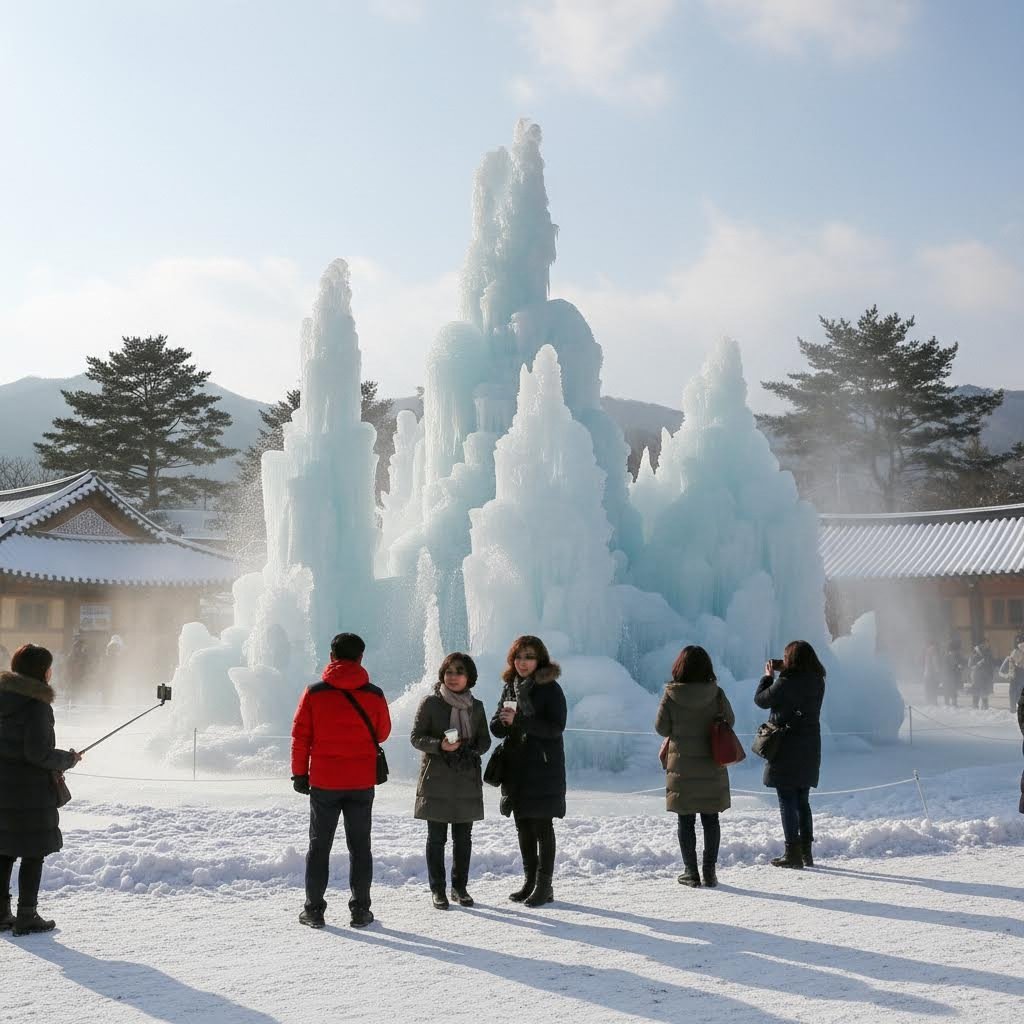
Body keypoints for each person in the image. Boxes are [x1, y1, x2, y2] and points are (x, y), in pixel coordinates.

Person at [290, 632, 392, 929]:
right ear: (361, 657)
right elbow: (382, 733)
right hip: (361, 782)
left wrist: (299, 774)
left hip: (324, 782)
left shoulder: (314, 692)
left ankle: (314, 910)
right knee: (360, 847)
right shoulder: (374, 694)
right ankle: (360, 910)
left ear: (331, 656)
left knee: (319, 847)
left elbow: (300, 737)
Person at [0, 644, 83, 935]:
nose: (52, 671)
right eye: (49, 666)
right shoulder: (36, 705)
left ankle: (1, 914)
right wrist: (68, 759)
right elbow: (37, 753)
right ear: (42, 671)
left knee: (4, 850)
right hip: (30, 794)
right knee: (32, 853)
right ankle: (27, 916)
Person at [410, 652, 491, 909]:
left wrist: (470, 750)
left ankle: (460, 888)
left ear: (469, 677)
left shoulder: (476, 707)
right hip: (436, 779)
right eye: (449, 671)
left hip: (465, 778)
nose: (453, 676)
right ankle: (438, 890)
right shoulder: (431, 703)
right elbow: (416, 737)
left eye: (459, 671)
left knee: (463, 838)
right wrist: (439, 745)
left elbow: (485, 740)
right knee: (436, 838)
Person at [490, 635, 566, 908]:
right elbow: (497, 727)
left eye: (529, 657)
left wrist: (520, 720)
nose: (523, 662)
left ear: (540, 660)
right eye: (519, 657)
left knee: (542, 825)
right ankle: (530, 881)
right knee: (522, 824)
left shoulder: (550, 689)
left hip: (543, 766)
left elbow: (555, 729)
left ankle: (545, 885)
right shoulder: (510, 686)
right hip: (516, 766)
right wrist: (501, 722)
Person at [655, 645, 735, 888]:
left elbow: (661, 728)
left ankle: (691, 872)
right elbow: (729, 721)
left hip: (682, 768)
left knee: (685, 821)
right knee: (711, 820)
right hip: (712, 764)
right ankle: (709, 872)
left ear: (679, 668)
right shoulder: (717, 694)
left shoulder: (671, 695)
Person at [754, 640, 826, 870]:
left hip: (785, 746)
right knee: (803, 801)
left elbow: (762, 700)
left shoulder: (785, 682)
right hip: (810, 745)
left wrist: (768, 676)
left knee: (787, 799)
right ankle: (806, 853)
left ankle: (791, 852)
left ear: (791, 661)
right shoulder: (817, 681)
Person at [967, 640, 996, 710]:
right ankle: (975, 706)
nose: (984, 647)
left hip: (986, 677)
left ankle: (985, 707)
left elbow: (991, 665)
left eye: (985, 645)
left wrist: (991, 675)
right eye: (982, 645)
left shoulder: (988, 654)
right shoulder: (974, 655)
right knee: (976, 692)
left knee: (985, 693)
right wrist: (978, 664)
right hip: (977, 676)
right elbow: (970, 666)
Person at [999, 636, 1024, 712]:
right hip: (1020, 672)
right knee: (1018, 691)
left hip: (1017, 672)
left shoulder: (1016, 650)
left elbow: (1012, 660)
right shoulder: (1017, 650)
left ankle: (1013, 709)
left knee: (1013, 692)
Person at [941, 638, 963, 708]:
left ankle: (947, 703)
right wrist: (958, 666)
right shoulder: (951, 655)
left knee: (948, 690)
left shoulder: (945, 654)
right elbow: (954, 663)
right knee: (952, 689)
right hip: (951, 675)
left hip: (946, 674)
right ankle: (953, 703)